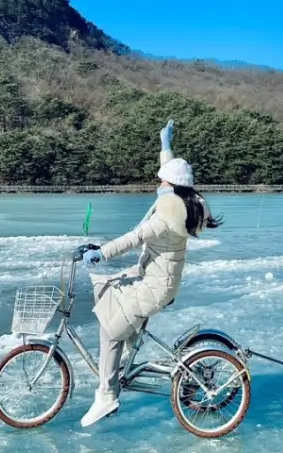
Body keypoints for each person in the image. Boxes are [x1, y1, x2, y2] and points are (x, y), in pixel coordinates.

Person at [80, 119, 223, 427]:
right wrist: (165, 145)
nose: (157, 184)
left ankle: (106, 395)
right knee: (110, 287)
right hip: (156, 279)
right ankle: (127, 352)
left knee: (110, 330)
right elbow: (171, 173)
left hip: (155, 287)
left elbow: (133, 238)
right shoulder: (182, 204)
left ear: (169, 187)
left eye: (161, 182)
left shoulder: (165, 217)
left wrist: (101, 253)